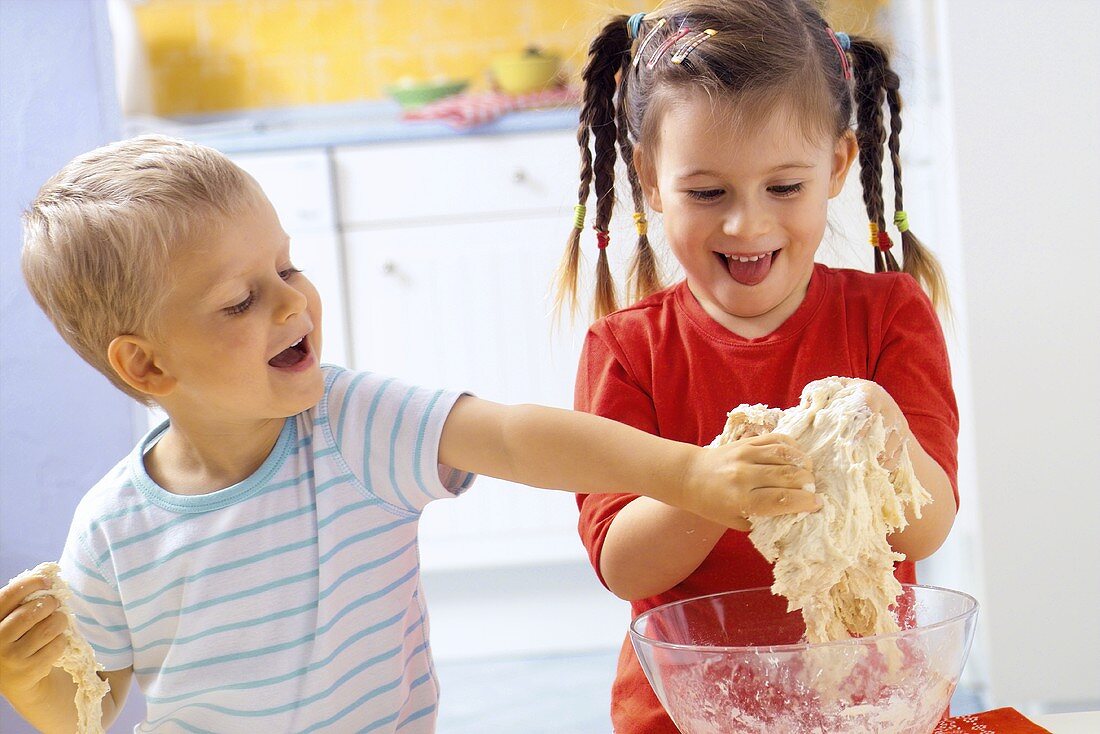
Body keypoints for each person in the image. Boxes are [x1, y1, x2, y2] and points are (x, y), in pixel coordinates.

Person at [0, 135, 823, 733]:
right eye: (239, 302)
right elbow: (91, 707)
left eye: (286, 268)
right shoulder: (111, 528)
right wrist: (34, 688)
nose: (292, 304)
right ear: (146, 367)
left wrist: (688, 474)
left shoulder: (351, 426)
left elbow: (511, 436)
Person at [554, 1, 960, 731]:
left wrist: (886, 432)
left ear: (836, 166)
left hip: (867, 702)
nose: (748, 224)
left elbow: (925, 534)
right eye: (707, 192)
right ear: (648, 178)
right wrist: (705, 484)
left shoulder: (890, 317)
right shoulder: (627, 350)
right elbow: (623, 565)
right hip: (687, 711)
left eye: (784, 187)